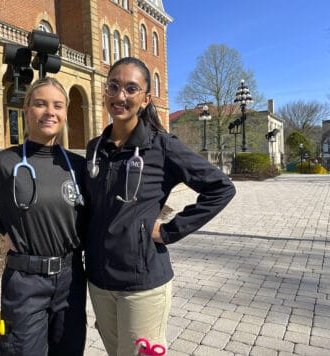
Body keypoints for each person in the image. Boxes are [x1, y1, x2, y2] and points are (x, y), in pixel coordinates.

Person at [83, 57, 236, 356]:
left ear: (145, 98)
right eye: (113, 86)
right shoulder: (95, 148)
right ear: (105, 91)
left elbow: (221, 188)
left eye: (131, 88)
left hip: (141, 283)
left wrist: (169, 231)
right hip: (99, 281)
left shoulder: (161, 146)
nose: (120, 96)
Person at [0, 77, 87, 356]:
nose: (50, 112)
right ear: (26, 109)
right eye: (40, 104)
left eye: (58, 105)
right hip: (25, 282)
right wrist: (2, 228)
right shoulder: (2, 164)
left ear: (65, 113)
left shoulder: (78, 166)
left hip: (71, 280)